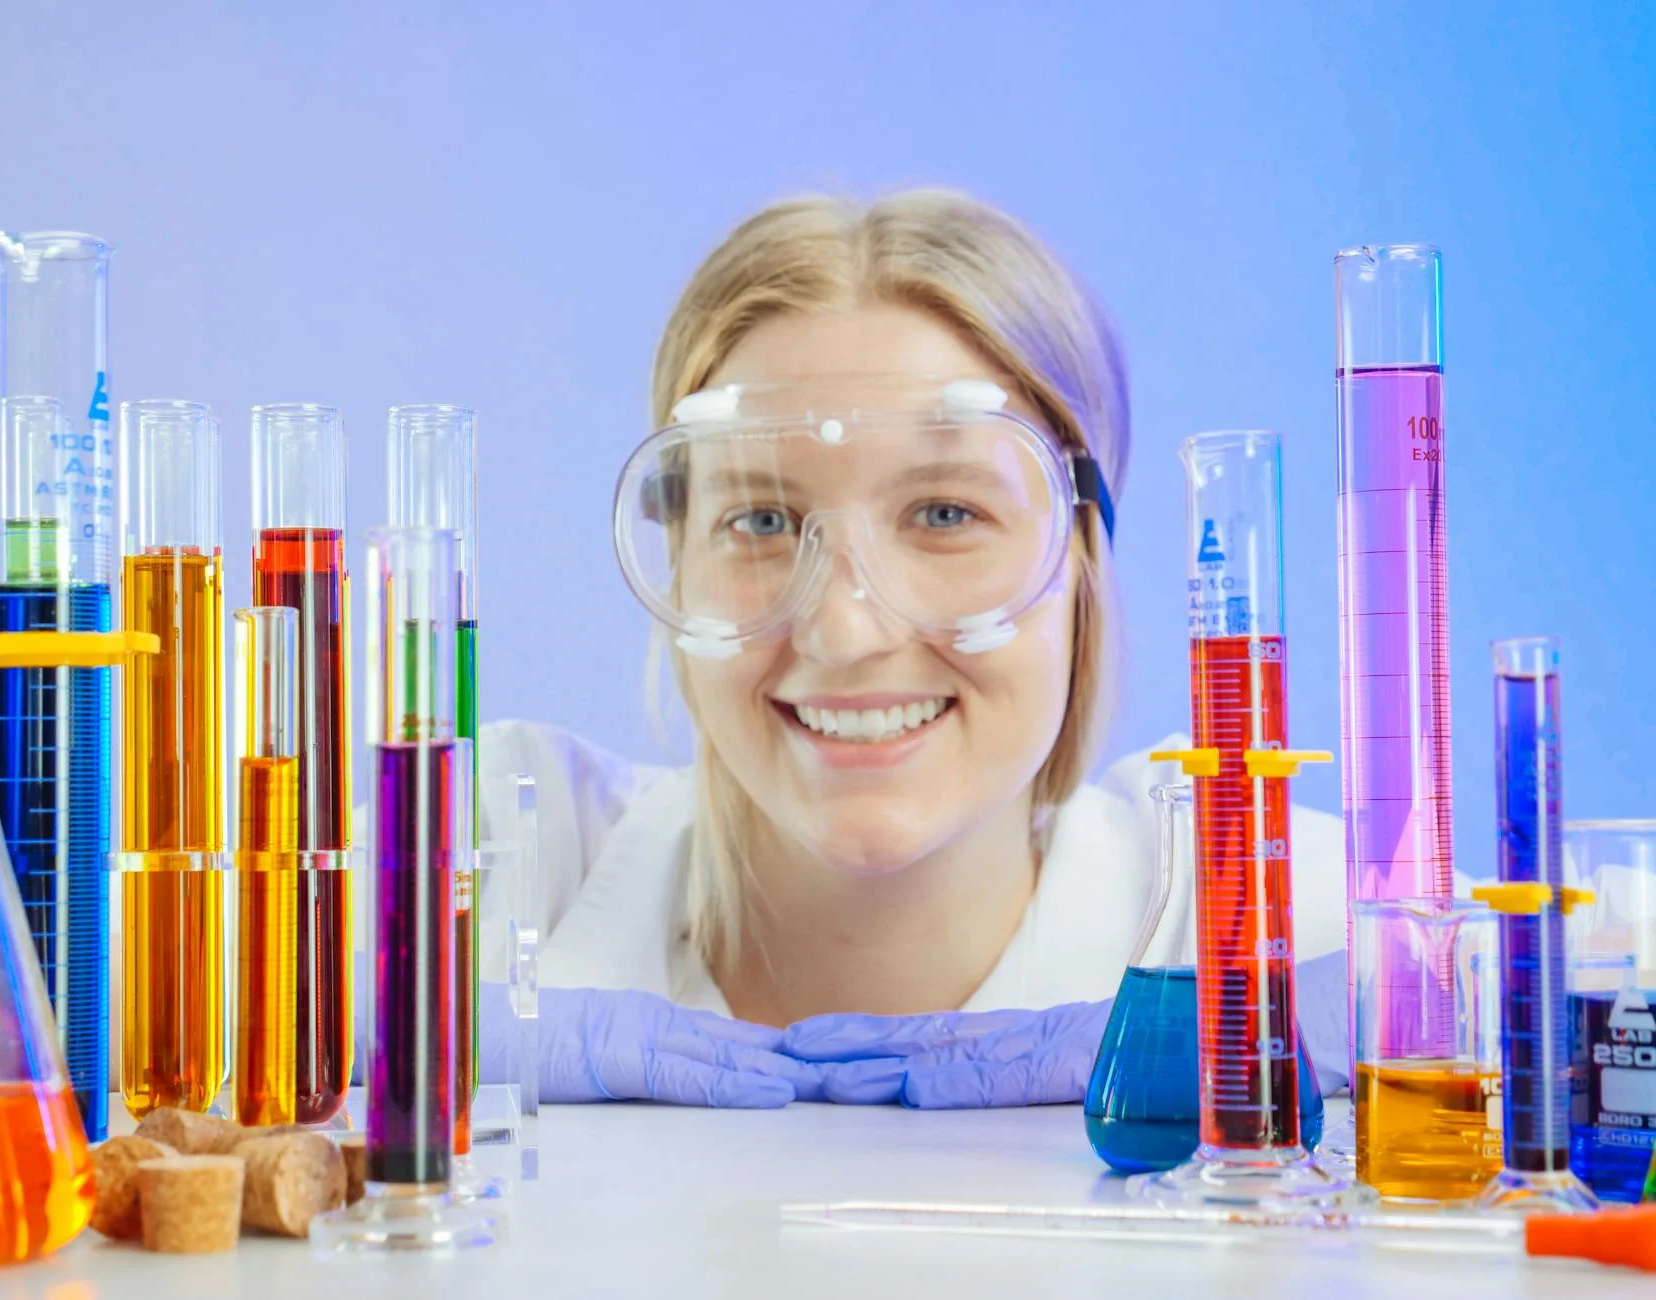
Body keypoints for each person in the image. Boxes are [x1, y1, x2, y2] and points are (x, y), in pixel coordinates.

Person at [470, 188, 1349, 1108]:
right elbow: (301, 984)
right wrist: (377, 1038)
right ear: (676, 555)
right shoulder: (507, 852)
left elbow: (1500, 968)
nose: (846, 632)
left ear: (1082, 557)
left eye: (945, 513)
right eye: (762, 519)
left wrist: (1343, 1022)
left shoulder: (1263, 906)